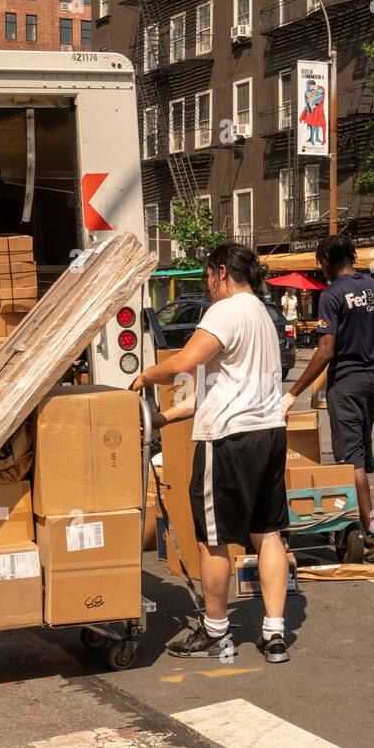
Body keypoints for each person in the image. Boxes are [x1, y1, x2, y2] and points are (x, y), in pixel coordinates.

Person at [131, 243, 292, 663]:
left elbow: (184, 364)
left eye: (207, 277)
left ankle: (216, 630)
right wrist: (162, 421)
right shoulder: (262, 313)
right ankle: (274, 633)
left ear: (221, 272)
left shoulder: (226, 311)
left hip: (229, 441)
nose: (207, 286)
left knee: (212, 540)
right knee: (268, 532)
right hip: (269, 432)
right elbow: (214, 390)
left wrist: (145, 376)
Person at [283, 235, 374, 564]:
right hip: (373, 381)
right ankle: (360, 522)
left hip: (346, 383)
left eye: (321, 264)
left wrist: (292, 393)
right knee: (358, 457)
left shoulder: (331, 295)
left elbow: (326, 350)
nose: (322, 270)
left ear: (328, 260)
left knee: (352, 463)